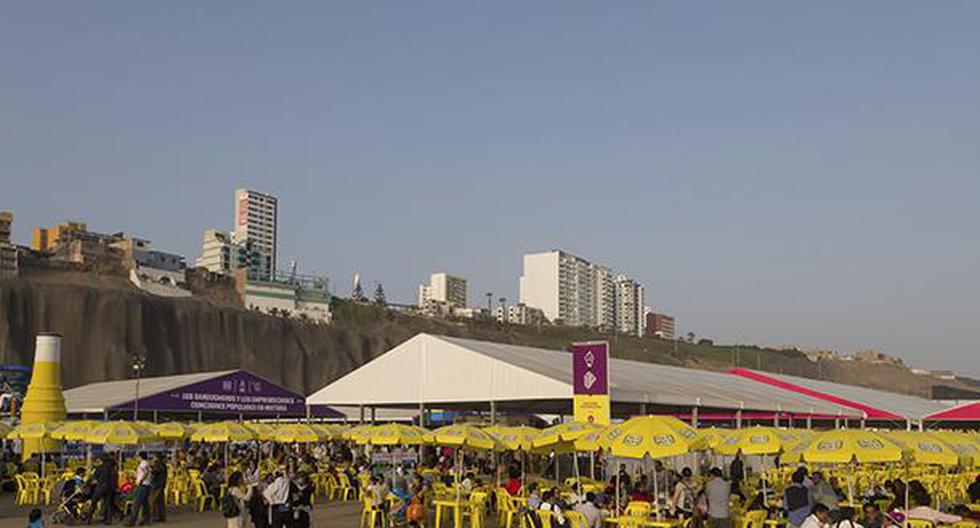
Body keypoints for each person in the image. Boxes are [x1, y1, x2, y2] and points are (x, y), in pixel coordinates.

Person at [149, 453, 167, 522]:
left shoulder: (158, 464)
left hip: (157, 484)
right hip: (161, 484)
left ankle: (154, 516)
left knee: (153, 500)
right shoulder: (163, 464)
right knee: (160, 501)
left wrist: (151, 468)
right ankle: (161, 516)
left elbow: (155, 471)